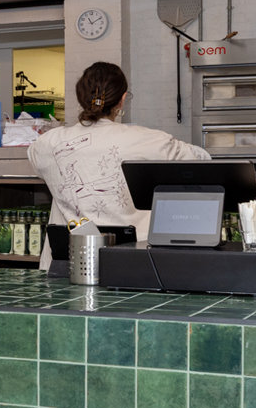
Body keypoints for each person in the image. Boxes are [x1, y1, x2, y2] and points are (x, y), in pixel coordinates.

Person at [26, 62, 211, 269]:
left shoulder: (47, 144)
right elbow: (202, 160)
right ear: (122, 100)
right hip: (133, 263)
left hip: (67, 263)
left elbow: (36, 161)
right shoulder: (148, 140)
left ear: (81, 97)